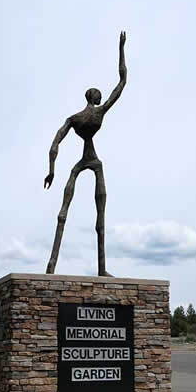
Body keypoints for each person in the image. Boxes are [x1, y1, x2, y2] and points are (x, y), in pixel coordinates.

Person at [44, 31, 127, 276]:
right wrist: (121, 48)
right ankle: (102, 269)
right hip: (93, 161)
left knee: (64, 210)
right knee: (100, 211)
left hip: (80, 163)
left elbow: (54, 144)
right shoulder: (99, 113)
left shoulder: (74, 118)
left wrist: (51, 171)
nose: (101, 96)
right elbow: (122, 82)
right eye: (99, 94)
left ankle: (52, 267)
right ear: (96, 97)